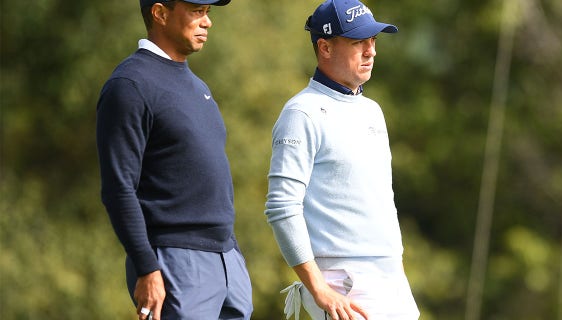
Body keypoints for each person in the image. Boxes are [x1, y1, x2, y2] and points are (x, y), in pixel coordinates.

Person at [96, 0, 252, 319]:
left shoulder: (198, 86)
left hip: (226, 259)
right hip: (175, 262)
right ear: (160, 13)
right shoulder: (129, 85)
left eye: (207, 13)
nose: (207, 22)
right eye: (197, 12)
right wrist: (146, 267)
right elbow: (118, 188)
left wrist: (233, 255)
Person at [265, 0, 420, 319]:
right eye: (358, 42)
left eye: (373, 40)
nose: (371, 51)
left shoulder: (372, 111)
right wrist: (319, 288)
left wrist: (397, 266)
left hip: (391, 283)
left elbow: (382, 202)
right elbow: (282, 207)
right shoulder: (301, 113)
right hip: (343, 286)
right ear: (324, 47)